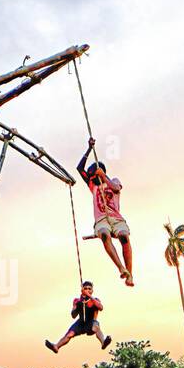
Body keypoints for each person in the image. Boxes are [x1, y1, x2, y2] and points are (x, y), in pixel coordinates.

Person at [75, 138, 133, 286]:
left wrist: (103, 177)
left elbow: (116, 189)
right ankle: (121, 268)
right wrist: (89, 149)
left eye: (93, 175)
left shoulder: (113, 180)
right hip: (102, 220)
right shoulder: (92, 186)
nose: (92, 178)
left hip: (116, 219)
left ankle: (130, 274)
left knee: (124, 238)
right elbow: (79, 169)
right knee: (105, 236)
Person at [45, 281, 111, 353]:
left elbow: (100, 307)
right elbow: (73, 316)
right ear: (82, 290)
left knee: (96, 327)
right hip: (80, 322)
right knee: (69, 334)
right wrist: (77, 308)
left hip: (91, 322)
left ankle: (103, 342)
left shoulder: (95, 300)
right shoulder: (77, 301)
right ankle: (56, 346)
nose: (87, 290)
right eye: (85, 288)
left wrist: (89, 296)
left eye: (89, 289)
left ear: (92, 290)